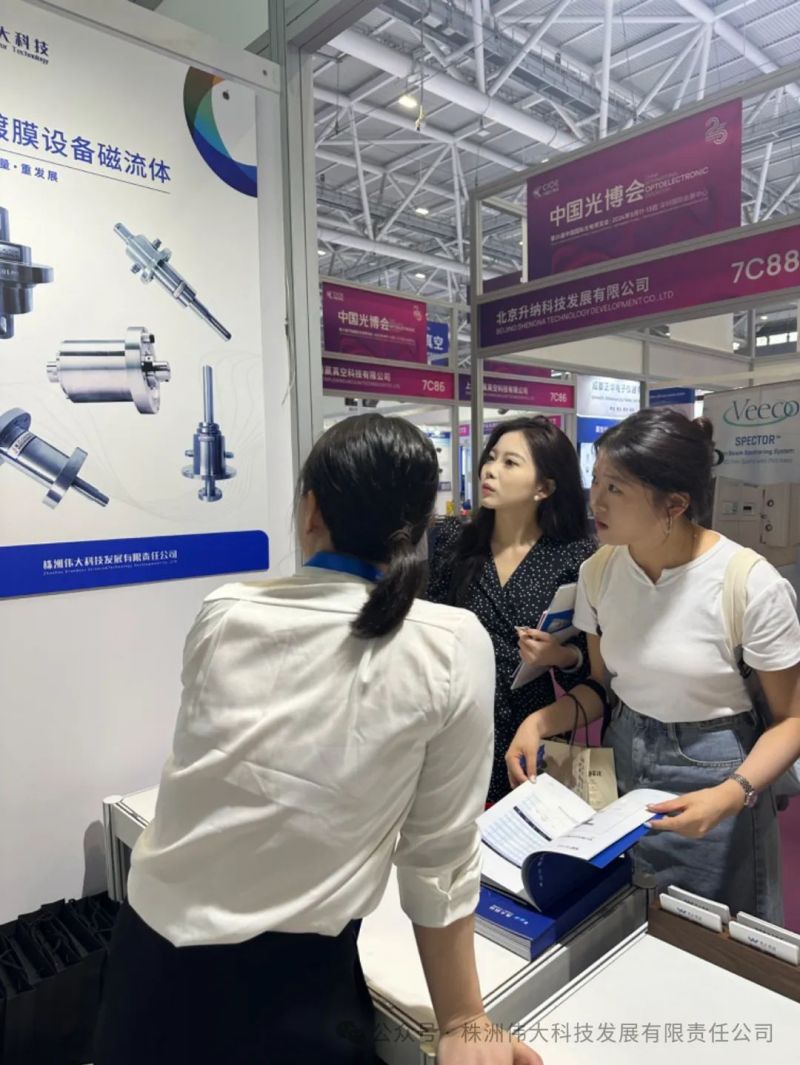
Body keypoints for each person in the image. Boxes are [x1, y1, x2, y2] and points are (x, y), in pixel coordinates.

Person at [93, 414, 540, 1065]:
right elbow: (438, 855)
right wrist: (464, 1019)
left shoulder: (225, 610)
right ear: (421, 526)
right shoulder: (450, 644)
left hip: (148, 960)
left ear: (310, 512)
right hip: (295, 988)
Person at [506, 408, 800, 922]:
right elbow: (602, 686)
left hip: (717, 769)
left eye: (616, 489)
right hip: (623, 759)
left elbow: (791, 720)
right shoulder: (599, 572)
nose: (595, 501)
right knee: (629, 919)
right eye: (596, 480)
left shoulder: (749, 583)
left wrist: (731, 796)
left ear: (675, 504)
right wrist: (539, 721)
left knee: (714, 934)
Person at [428, 416, 596, 803]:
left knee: (523, 830)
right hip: (458, 719)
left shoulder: (575, 557)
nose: (490, 469)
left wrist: (561, 656)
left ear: (544, 488)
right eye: (491, 457)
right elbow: (429, 624)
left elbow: (591, 668)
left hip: (532, 726)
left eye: (509, 462)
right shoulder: (454, 541)